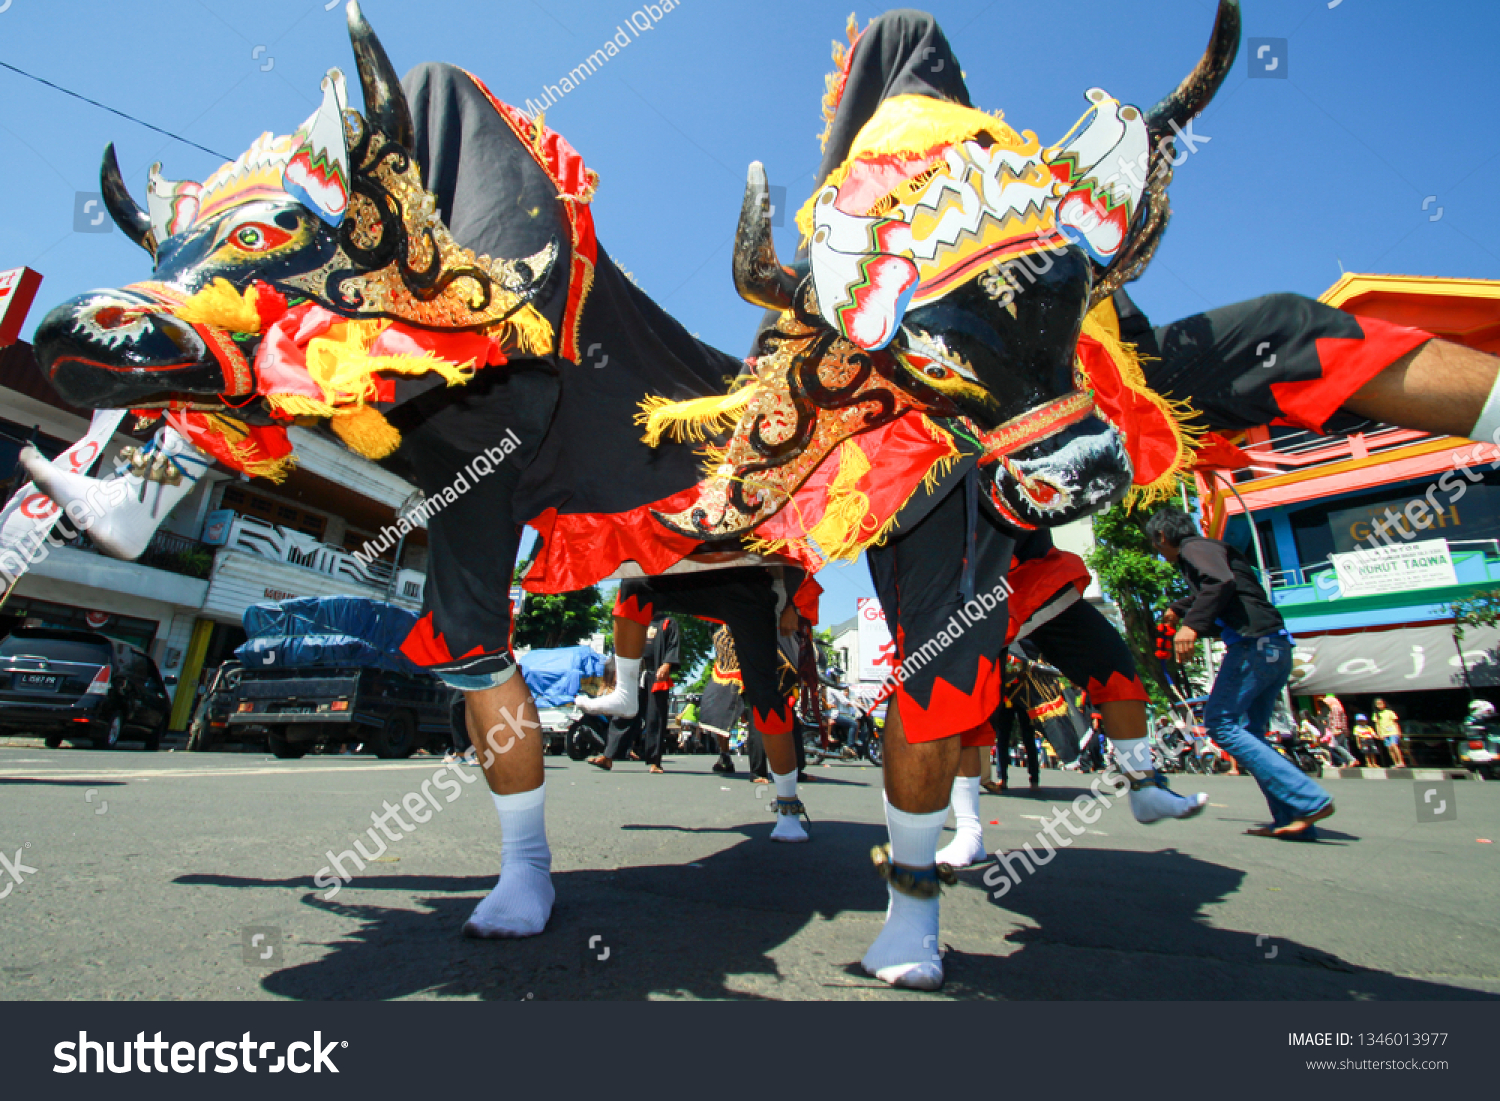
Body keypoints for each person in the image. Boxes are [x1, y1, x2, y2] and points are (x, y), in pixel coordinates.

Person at [1147, 507, 1335, 839]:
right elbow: (1222, 590)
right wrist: (1179, 608)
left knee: (1220, 723)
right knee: (1251, 731)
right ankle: (1292, 819)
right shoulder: (1209, 551)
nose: (1158, 552)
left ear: (1162, 536)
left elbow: (1220, 582)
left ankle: (1309, 800)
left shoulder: (1195, 547)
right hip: (1274, 646)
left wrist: (1190, 626)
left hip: (1253, 647)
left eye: (1156, 545)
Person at [590, 612, 679, 774]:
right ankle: (608, 757)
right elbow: (622, 644)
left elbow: (672, 646)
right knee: (624, 713)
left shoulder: (667, 622)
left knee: (655, 718)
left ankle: (655, 762)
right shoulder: (635, 620)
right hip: (634, 672)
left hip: (655, 674)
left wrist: (666, 665)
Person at [1373, 698, 1407, 768]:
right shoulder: (1376, 714)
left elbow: (1395, 723)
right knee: (1389, 748)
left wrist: (1399, 732)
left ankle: (1401, 761)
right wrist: (1379, 734)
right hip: (1384, 733)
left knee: (1394, 745)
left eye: (1381, 703)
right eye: (1378, 704)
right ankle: (1396, 762)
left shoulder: (1390, 712)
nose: (1380, 705)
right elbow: (1377, 725)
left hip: (1393, 731)